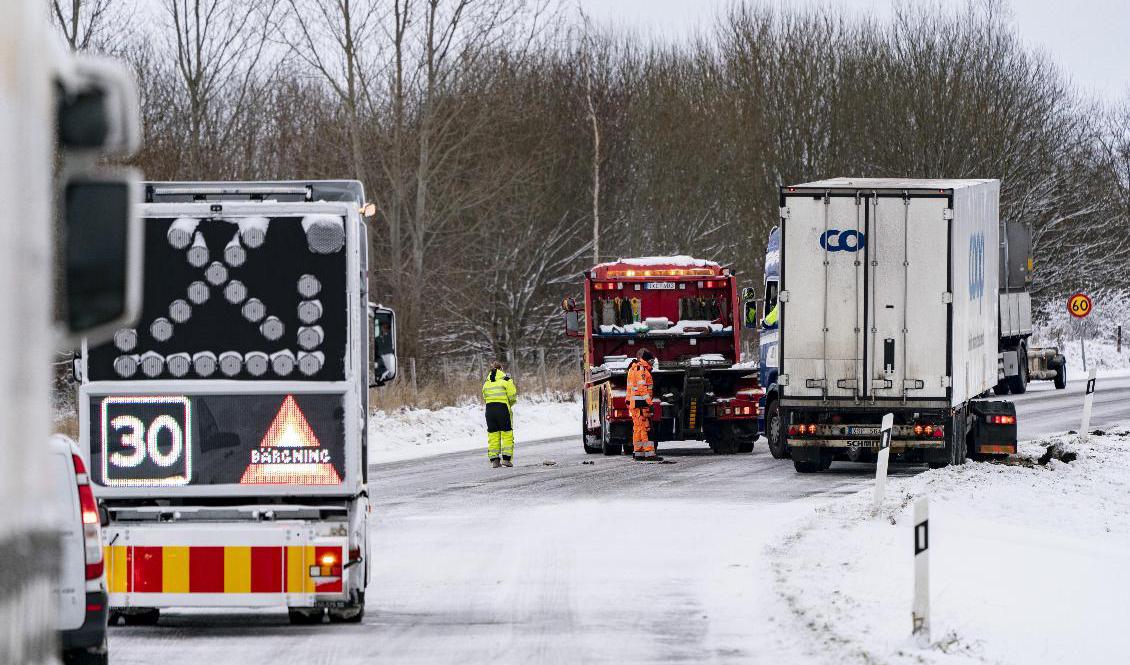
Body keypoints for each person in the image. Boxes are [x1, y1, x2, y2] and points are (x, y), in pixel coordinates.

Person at [482, 361, 518, 468]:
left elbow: (484, 396)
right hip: (502, 409)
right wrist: (509, 405)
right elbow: (512, 396)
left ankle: (495, 460)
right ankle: (506, 459)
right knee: (506, 434)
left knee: (493, 435)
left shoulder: (486, 382)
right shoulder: (506, 380)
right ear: (501, 369)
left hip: (489, 410)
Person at [626, 349, 659, 461]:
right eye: (651, 360)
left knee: (638, 428)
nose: (652, 363)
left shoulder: (633, 369)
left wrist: (628, 401)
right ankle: (649, 453)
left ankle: (639, 453)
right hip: (641, 404)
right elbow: (642, 388)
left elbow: (629, 388)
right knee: (645, 428)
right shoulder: (642, 370)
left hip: (635, 404)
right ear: (646, 360)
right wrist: (649, 403)